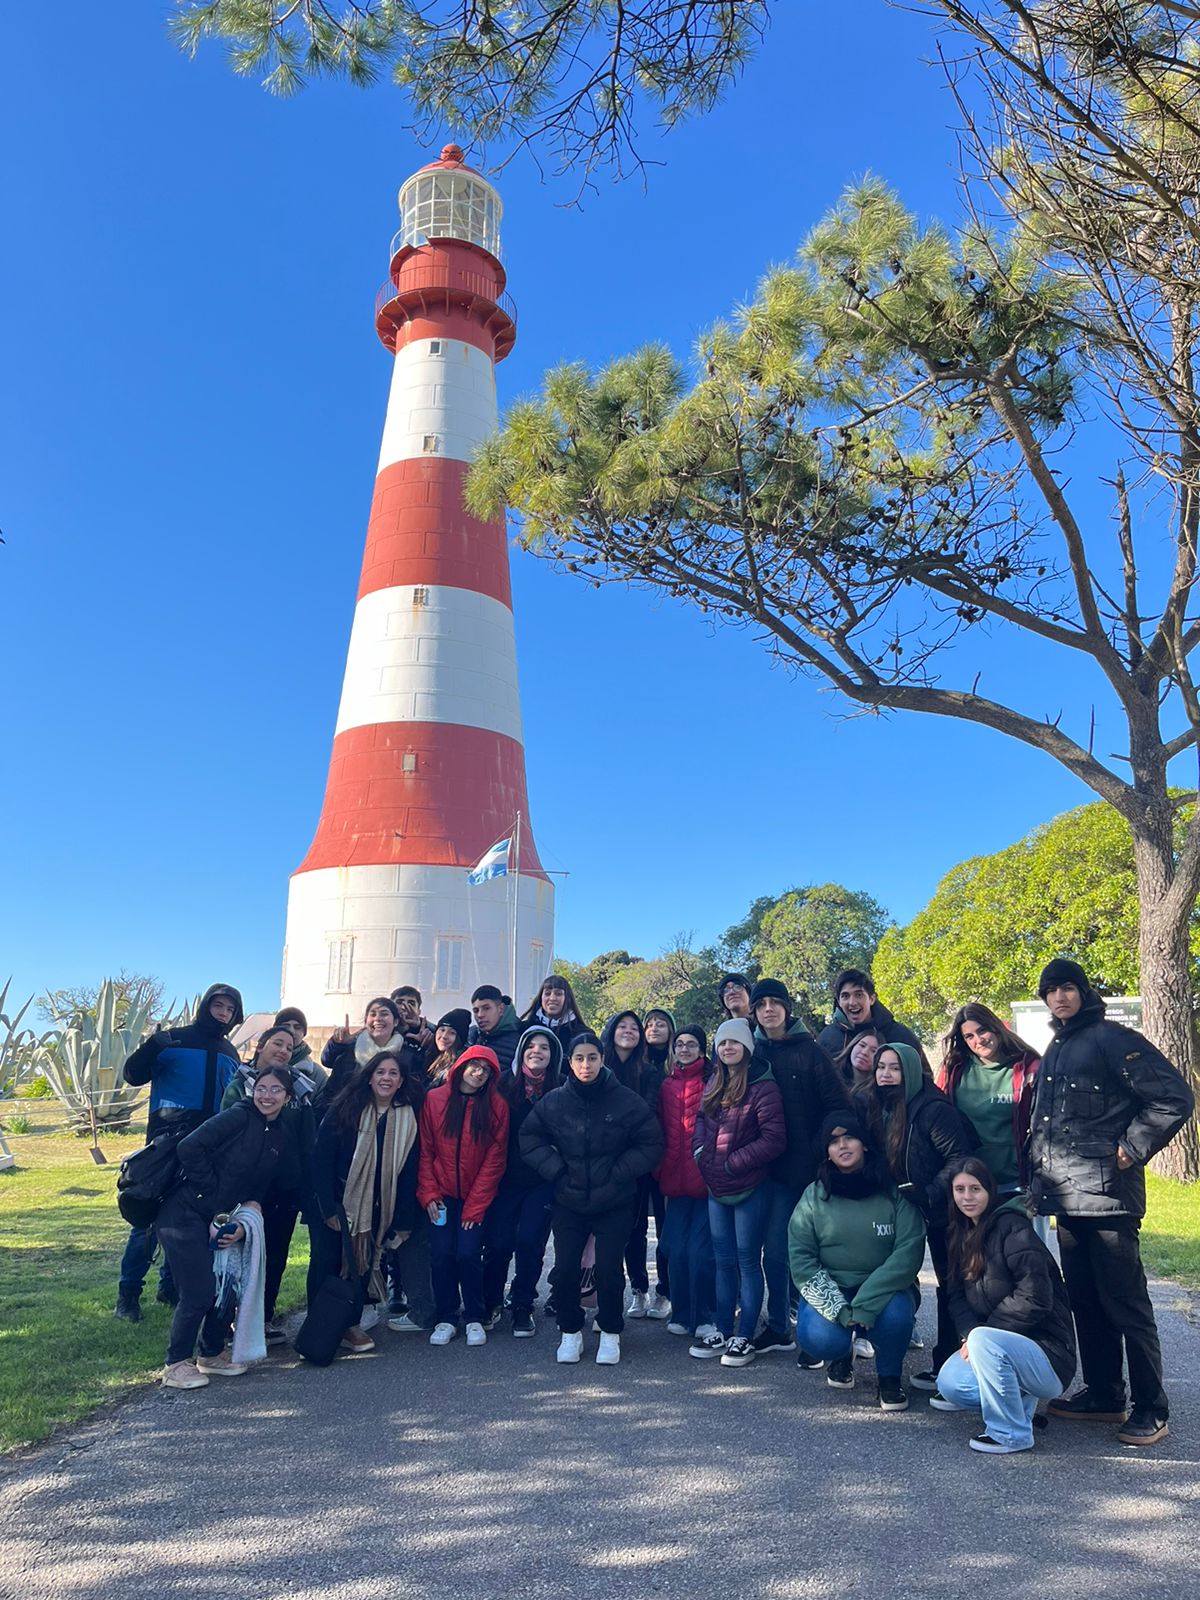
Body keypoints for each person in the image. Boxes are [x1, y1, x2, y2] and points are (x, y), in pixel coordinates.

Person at [1030, 958, 1194, 1447]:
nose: (1059, 998)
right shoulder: (1059, 1044)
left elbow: (1173, 1098)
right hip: (1066, 1199)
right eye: (1051, 991)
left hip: (1108, 1200)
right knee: (1086, 1304)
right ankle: (1104, 1394)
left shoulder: (1112, 1040)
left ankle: (1151, 1408)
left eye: (1067, 988)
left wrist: (1131, 1147)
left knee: (1126, 1306)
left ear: (1083, 992)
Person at [519, 1030, 664, 1365]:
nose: (586, 1065)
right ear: (569, 1062)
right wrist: (556, 1170)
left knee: (611, 1270)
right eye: (579, 1058)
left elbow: (651, 1143)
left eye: (593, 1057)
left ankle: (611, 1330)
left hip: (614, 1199)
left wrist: (618, 1173)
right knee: (567, 1267)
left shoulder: (625, 1099)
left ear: (602, 1059)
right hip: (568, 1199)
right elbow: (529, 1137)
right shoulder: (555, 1100)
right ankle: (570, 1331)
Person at [116, 983, 245, 1323]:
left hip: (208, 1148)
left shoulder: (231, 1053)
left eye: (229, 1009)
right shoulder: (173, 1039)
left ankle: (169, 1287)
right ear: (205, 1006)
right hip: (164, 1146)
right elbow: (132, 1076)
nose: (223, 1012)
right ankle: (127, 1295)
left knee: (190, 1219)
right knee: (147, 1223)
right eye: (218, 1005)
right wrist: (151, 1047)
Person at [155, 1060, 289, 1388]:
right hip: (184, 1213)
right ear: (252, 1090)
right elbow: (190, 1148)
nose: (267, 1095)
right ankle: (175, 1364)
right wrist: (212, 1194)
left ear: (288, 1097)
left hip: (223, 1220)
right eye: (261, 1088)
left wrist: (244, 1222)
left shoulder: (279, 1134)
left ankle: (211, 1354)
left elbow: (259, 1187)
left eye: (275, 1090)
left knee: (227, 1285)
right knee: (199, 1291)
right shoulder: (239, 1116)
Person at [853, 1041, 977, 1391]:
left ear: (909, 1069)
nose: (886, 1074)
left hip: (940, 1207)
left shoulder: (933, 1108)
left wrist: (931, 1192)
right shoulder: (873, 1105)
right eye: (881, 1067)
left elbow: (959, 1158)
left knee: (951, 1282)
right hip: (896, 1206)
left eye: (894, 1067)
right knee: (886, 1269)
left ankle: (950, 1363)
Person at [933, 1156, 1076, 1453]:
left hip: (1047, 1353)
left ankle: (1010, 1433)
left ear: (990, 1191)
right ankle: (1019, 1402)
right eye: (960, 1190)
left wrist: (982, 1334)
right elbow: (956, 1295)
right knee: (950, 1383)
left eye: (975, 1189)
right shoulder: (959, 1234)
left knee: (983, 1339)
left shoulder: (1014, 1229)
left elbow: (1035, 1298)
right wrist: (970, 1332)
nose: (967, 1197)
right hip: (999, 1347)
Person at [788, 1110, 927, 1410]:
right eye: (834, 1141)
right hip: (834, 1288)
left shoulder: (894, 1193)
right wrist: (839, 1310)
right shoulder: (813, 1196)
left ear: (864, 1143)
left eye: (850, 1137)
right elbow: (802, 1261)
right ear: (826, 1151)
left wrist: (866, 1305)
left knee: (895, 1319)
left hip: (886, 1290)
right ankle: (841, 1355)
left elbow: (908, 1252)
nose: (843, 1145)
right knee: (820, 1338)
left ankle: (889, 1377)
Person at [752, 978, 848, 1360]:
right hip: (765, 1173)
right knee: (774, 1254)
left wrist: (819, 1152)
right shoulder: (751, 1052)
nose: (769, 1009)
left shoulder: (811, 1052)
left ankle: (821, 1329)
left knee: (814, 1255)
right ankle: (778, 1326)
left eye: (776, 1003)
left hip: (807, 1172)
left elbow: (837, 1106)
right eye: (762, 1004)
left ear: (787, 1009)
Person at [311, 1048, 428, 1353]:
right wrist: (328, 1208)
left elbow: (407, 1172)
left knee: (360, 1265)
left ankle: (349, 1325)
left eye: (393, 1073)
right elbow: (321, 1159)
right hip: (337, 1202)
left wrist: (402, 1221)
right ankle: (318, 1327)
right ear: (369, 1077)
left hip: (378, 1206)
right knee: (326, 1262)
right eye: (380, 1072)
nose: (386, 1078)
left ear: (401, 1081)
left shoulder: (407, 1118)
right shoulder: (345, 1108)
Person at [692, 1018, 786, 1366]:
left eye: (734, 1043)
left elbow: (774, 1139)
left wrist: (734, 1163)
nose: (727, 1048)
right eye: (722, 1043)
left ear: (747, 1047)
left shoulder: (764, 1087)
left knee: (748, 1260)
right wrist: (701, 1153)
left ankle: (744, 1334)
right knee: (723, 1260)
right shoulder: (714, 1081)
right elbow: (701, 1120)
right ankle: (722, 1326)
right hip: (716, 1186)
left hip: (749, 1186)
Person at [221, 1024, 318, 1344]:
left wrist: (305, 1188)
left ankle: (262, 1318)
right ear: (261, 1046)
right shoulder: (239, 1086)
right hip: (246, 1187)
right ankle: (229, 1319)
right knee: (239, 1252)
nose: (283, 1050)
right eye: (277, 1043)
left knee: (275, 1254)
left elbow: (308, 1144)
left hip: (285, 1188)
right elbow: (225, 1135)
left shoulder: (299, 1090)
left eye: (289, 1048)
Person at [418, 1045, 509, 1346]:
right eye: (475, 1065)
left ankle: (474, 1315)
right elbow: (425, 1151)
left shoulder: (497, 1106)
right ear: (462, 1066)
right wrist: (429, 1193)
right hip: (442, 1196)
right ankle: (446, 1316)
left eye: (486, 1069)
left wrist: (475, 1207)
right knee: (441, 1255)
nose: (479, 1073)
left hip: (475, 1198)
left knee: (469, 1254)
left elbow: (495, 1160)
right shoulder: (435, 1100)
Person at [482, 1026, 564, 1334]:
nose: (538, 1051)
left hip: (541, 1180)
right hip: (504, 1178)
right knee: (498, 1244)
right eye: (532, 1045)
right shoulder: (502, 1084)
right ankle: (491, 1301)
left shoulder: (561, 1087)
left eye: (545, 1047)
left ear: (552, 1054)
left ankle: (522, 1303)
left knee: (530, 1242)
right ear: (522, 1050)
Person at [938, 1004, 1039, 1206]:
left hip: (1017, 1183)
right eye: (969, 1036)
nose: (979, 1040)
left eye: (982, 1030)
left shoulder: (1029, 1068)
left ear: (996, 1028)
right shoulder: (953, 1071)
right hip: (970, 1186)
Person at [657, 1025, 719, 1348]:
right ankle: (681, 1313)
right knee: (674, 1249)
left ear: (702, 1049)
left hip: (706, 1179)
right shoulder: (666, 1085)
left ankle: (707, 1315)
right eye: (679, 1044)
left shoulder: (713, 1083)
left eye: (691, 1044)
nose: (684, 1049)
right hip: (674, 1179)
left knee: (701, 1252)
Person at [629, 1006, 674, 1318]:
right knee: (633, 1227)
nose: (655, 1027)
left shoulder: (678, 1061)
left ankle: (665, 1291)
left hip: (669, 1155)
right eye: (650, 1023)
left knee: (665, 1227)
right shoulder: (635, 1063)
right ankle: (638, 1289)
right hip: (634, 1153)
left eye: (661, 1022)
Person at [816, 969, 926, 1063]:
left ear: (872, 999)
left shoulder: (900, 1036)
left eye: (859, 995)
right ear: (839, 1002)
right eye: (845, 996)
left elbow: (923, 1078)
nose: (852, 1002)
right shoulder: (827, 1038)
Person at [322, 998, 410, 1098]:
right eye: (373, 1014)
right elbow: (330, 1092)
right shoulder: (350, 1053)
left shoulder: (407, 1055)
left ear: (396, 1022)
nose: (378, 1019)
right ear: (365, 1021)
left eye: (384, 1014)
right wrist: (338, 1043)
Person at [519, 974, 589, 1056]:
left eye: (558, 994)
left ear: (568, 998)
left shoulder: (582, 1034)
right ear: (540, 997)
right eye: (547, 993)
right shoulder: (523, 1029)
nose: (552, 998)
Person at [468, 986, 522, 1074]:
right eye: (476, 1010)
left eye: (486, 1008)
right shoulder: (471, 1037)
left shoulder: (521, 1039)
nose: (480, 1015)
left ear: (501, 1009)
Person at [273, 1006, 328, 1090]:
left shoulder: (317, 1074)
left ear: (304, 1033)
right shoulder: (259, 1065)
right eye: (285, 1026)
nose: (291, 1031)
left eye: (297, 1027)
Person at [391, 985, 437, 1071]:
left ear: (419, 1011)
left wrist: (430, 1043)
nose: (404, 1007)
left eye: (411, 1003)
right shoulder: (382, 1029)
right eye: (399, 1002)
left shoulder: (430, 1031)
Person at [427, 1008, 471, 1088]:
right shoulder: (431, 1054)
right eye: (442, 1030)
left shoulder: (459, 1066)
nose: (444, 1036)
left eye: (452, 1033)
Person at [836, 1027, 883, 1093]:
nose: (864, 1053)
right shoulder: (831, 1073)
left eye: (873, 1051)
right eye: (862, 1045)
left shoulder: (877, 1092)